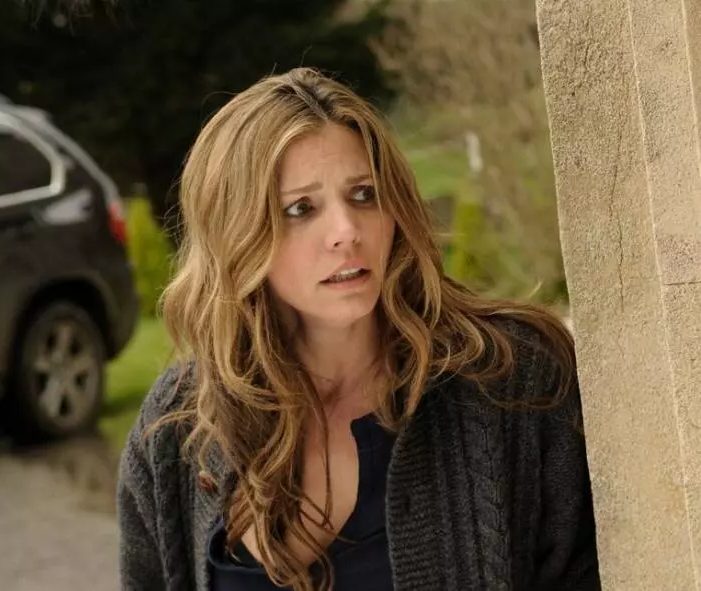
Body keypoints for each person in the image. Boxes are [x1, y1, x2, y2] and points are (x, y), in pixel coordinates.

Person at [117, 67, 601, 591]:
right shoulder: (177, 426)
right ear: (238, 236)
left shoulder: (511, 381)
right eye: (301, 209)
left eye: (364, 194)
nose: (346, 231)